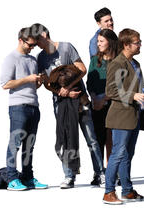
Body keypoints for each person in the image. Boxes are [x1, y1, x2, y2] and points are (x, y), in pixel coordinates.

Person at [33, 23, 105, 189]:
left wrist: (68, 87)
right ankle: (69, 176)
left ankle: (100, 173)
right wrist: (61, 92)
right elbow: (46, 82)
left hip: (80, 99)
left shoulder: (66, 47)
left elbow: (82, 69)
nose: (36, 43)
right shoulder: (41, 57)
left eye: (37, 39)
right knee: (65, 138)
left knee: (91, 139)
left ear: (44, 34)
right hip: (61, 103)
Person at [102, 28, 144, 205]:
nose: (140, 44)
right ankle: (108, 192)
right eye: (137, 42)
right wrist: (132, 96)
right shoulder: (117, 63)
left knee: (128, 154)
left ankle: (127, 190)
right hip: (121, 117)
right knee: (118, 154)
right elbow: (111, 90)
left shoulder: (134, 63)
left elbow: (135, 88)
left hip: (135, 116)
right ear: (126, 45)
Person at [0, 27, 48, 191]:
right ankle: (12, 179)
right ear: (21, 40)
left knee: (30, 144)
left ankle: (27, 177)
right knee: (15, 143)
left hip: (34, 105)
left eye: (34, 45)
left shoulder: (32, 60)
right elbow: (5, 84)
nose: (32, 48)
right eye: (30, 44)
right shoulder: (11, 58)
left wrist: (38, 82)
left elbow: (32, 85)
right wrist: (27, 78)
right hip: (18, 106)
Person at [87, 29, 122, 186]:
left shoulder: (120, 61)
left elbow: (120, 84)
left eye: (101, 41)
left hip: (114, 105)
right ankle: (99, 172)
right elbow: (90, 82)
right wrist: (95, 98)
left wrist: (105, 99)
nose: (98, 44)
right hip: (97, 105)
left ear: (110, 42)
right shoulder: (95, 60)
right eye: (98, 41)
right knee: (97, 139)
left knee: (113, 141)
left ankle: (115, 173)